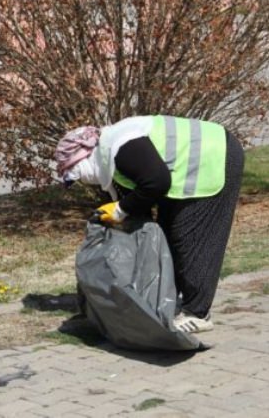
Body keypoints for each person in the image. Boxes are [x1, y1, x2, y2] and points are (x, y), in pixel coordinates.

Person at [55, 115, 244, 333]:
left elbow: (157, 182)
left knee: (190, 238)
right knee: (167, 235)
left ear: (86, 157)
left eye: (77, 175)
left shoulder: (121, 146)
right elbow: (142, 201)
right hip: (190, 168)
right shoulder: (112, 157)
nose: (81, 181)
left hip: (214, 157)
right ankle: (172, 301)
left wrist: (120, 209)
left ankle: (198, 313)